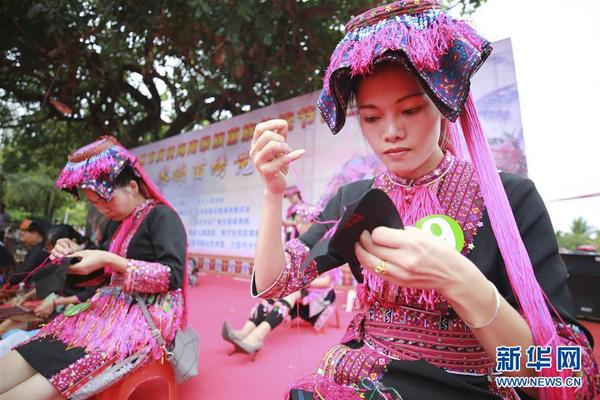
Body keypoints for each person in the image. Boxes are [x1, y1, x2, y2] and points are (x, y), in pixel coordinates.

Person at [249, 2, 599, 399]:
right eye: (371, 117)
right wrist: (272, 193)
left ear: (444, 106)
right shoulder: (356, 197)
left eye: (411, 109)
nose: (391, 132)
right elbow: (277, 283)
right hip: (357, 379)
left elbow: (570, 378)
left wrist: (462, 283)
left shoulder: (509, 198)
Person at [0, 136, 187, 400]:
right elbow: (106, 277)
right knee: (44, 344)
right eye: (95, 203)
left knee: (65, 363)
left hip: (140, 319)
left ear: (132, 187)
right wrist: (75, 254)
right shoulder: (118, 225)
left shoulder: (162, 216)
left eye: (105, 200)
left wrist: (107, 259)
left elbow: (173, 276)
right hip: (105, 310)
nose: (102, 209)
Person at [222, 269, 340, 359]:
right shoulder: (302, 244)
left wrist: (297, 282)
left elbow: (326, 281)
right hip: (298, 287)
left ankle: (257, 336)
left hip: (318, 296)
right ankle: (243, 333)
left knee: (290, 295)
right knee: (272, 297)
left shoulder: (327, 245)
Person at [6, 218, 51, 288]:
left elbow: (20, 275)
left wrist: (6, 279)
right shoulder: (41, 249)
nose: (21, 239)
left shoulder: (38, 252)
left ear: (35, 233)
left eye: (22, 235)